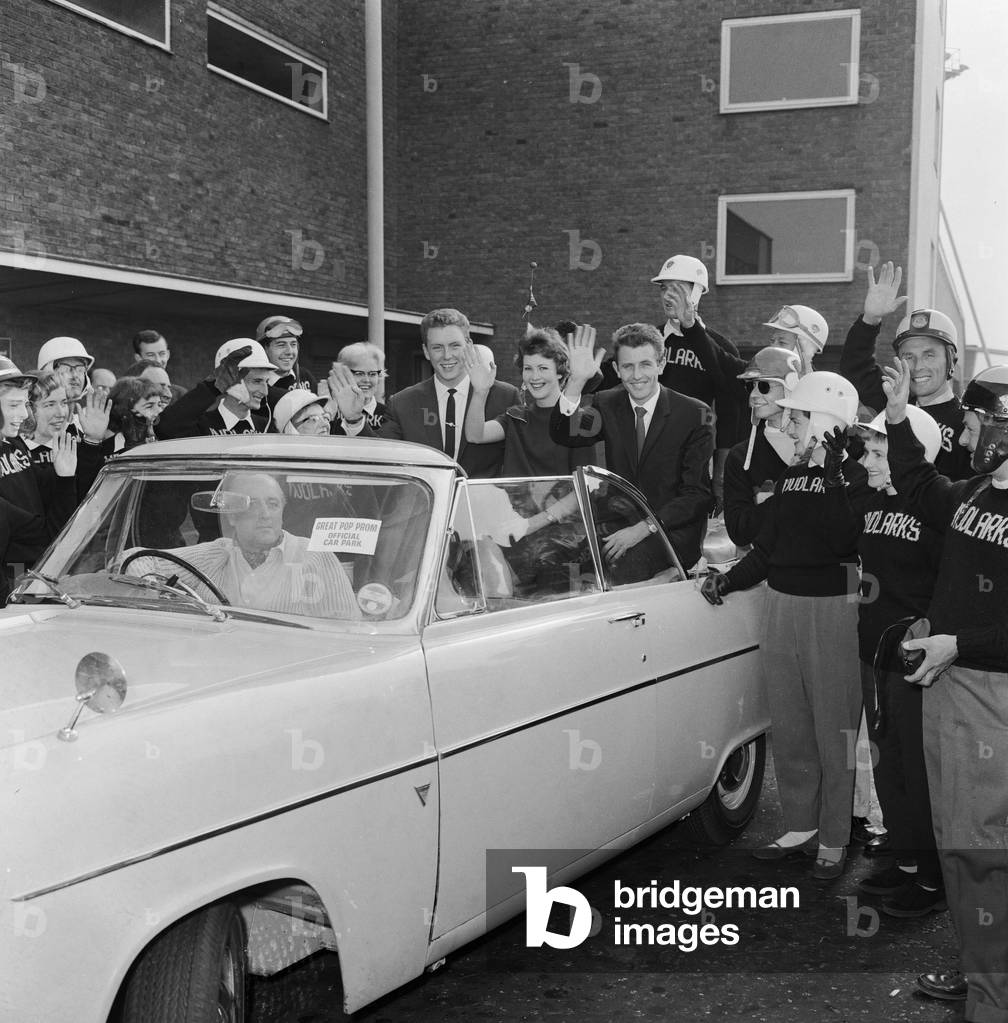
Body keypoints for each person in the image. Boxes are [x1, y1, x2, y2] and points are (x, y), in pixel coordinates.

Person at [701, 371, 867, 880]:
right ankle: (800, 825)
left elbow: (846, 540)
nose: (789, 424)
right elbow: (769, 549)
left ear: (824, 422)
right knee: (792, 727)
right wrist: (729, 580)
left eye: (796, 416)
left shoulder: (856, 476)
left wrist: (835, 474)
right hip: (782, 605)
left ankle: (835, 836)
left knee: (832, 727)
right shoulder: (794, 475)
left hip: (832, 611)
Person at [882, 358, 1008, 1016]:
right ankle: (976, 967)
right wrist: (900, 418)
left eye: (979, 419)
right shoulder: (981, 490)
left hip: (991, 699)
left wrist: (959, 643)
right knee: (958, 843)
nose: (966, 429)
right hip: (952, 686)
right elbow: (921, 486)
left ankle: (994, 996)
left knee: (985, 853)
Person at [850, 405, 945, 917]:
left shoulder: (937, 509)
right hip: (874, 650)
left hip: (913, 658)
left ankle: (932, 881)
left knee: (918, 773)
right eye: (868, 450)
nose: (869, 460)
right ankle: (908, 862)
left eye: (880, 451)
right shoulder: (870, 500)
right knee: (888, 768)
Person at [549, 322, 714, 570]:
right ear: (616, 368)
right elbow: (565, 434)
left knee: (620, 569)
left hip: (672, 532)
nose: (636, 376)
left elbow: (697, 495)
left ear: (661, 363)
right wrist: (575, 382)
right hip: (619, 525)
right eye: (628, 366)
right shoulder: (607, 403)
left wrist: (644, 527)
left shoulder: (696, 413)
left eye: (645, 364)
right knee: (553, 564)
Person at [120, 472, 360, 620]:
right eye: (252, 505)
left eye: (273, 504)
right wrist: (157, 598)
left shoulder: (315, 557)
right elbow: (137, 558)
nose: (265, 514)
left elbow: (348, 627)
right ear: (232, 517)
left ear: (282, 512)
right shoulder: (217, 553)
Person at [341, 309, 520, 478]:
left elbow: (518, 462)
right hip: (426, 508)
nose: (447, 355)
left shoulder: (505, 396)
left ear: (469, 346)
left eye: (455, 345)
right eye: (437, 348)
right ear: (426, 351)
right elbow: (378, 455)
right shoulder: (403, 403)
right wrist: (354, 420)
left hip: (483, 507)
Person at [840, 261, 972, 480]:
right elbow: (855, 366)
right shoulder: (892, 403)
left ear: (951, 361)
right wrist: (870, 319)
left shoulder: (966, 424)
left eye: (929, 355)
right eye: (908, 357)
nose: (918, 366)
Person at [461, 327, 597, 477]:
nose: (534, 376)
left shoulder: (579, 422)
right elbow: (475, 435)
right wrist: (480, 392)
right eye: (528, 368)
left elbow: (585, 483)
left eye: (543, 368)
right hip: (513, 501)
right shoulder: (516, 417)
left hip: (561, 501)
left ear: (559, 372)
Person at [0, 358, 81, 602]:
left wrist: (65, 478)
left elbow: (50, 526)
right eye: (13, 405)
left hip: (31, 570)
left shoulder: (13, 445)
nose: (24, 414)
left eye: (24, 404)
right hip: (13, 579)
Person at [722, 346, 802, 547]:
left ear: (791, 387)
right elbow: (739, 530)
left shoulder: (820, 447)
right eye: (751, 387)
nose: (753, 396)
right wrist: (784, 498)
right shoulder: (740, 456)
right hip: (769, 570)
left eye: (764, 386)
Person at [156, 340, 276, 437]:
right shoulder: (201, 426)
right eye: (256, 381)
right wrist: (212, 386)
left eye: (266, 382)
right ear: (230, 379)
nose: (265, 392)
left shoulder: (268, 427)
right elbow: (164, 427)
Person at [36, 336, 95, 434]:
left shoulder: (84, 427)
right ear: (46, 372)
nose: (75, 375)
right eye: (65, 369)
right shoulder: (33, 433)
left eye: (80, 369)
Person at [255, 315, 317, 396]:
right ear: (264, 348)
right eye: (281, 345)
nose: (289, 351)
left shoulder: (305, 376)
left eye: (293, 344)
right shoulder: (257, 385)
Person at [761, 304, 829, 376]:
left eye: (782, 342)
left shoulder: (819, 385)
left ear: (804, 350)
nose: (773, 347)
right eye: (772, 341)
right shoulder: (758, 378)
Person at [334, 342, 388, 427]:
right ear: (343, 375)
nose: (366, 380)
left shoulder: (389, 415)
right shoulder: (331, 412)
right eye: (359, 373)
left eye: (372, 374)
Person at [22, 371, 70, 465]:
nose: (61, 413)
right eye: (50, 405)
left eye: (64, 403)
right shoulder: (10, 451)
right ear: (28, 408)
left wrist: (93, 440)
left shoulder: (75, 442)